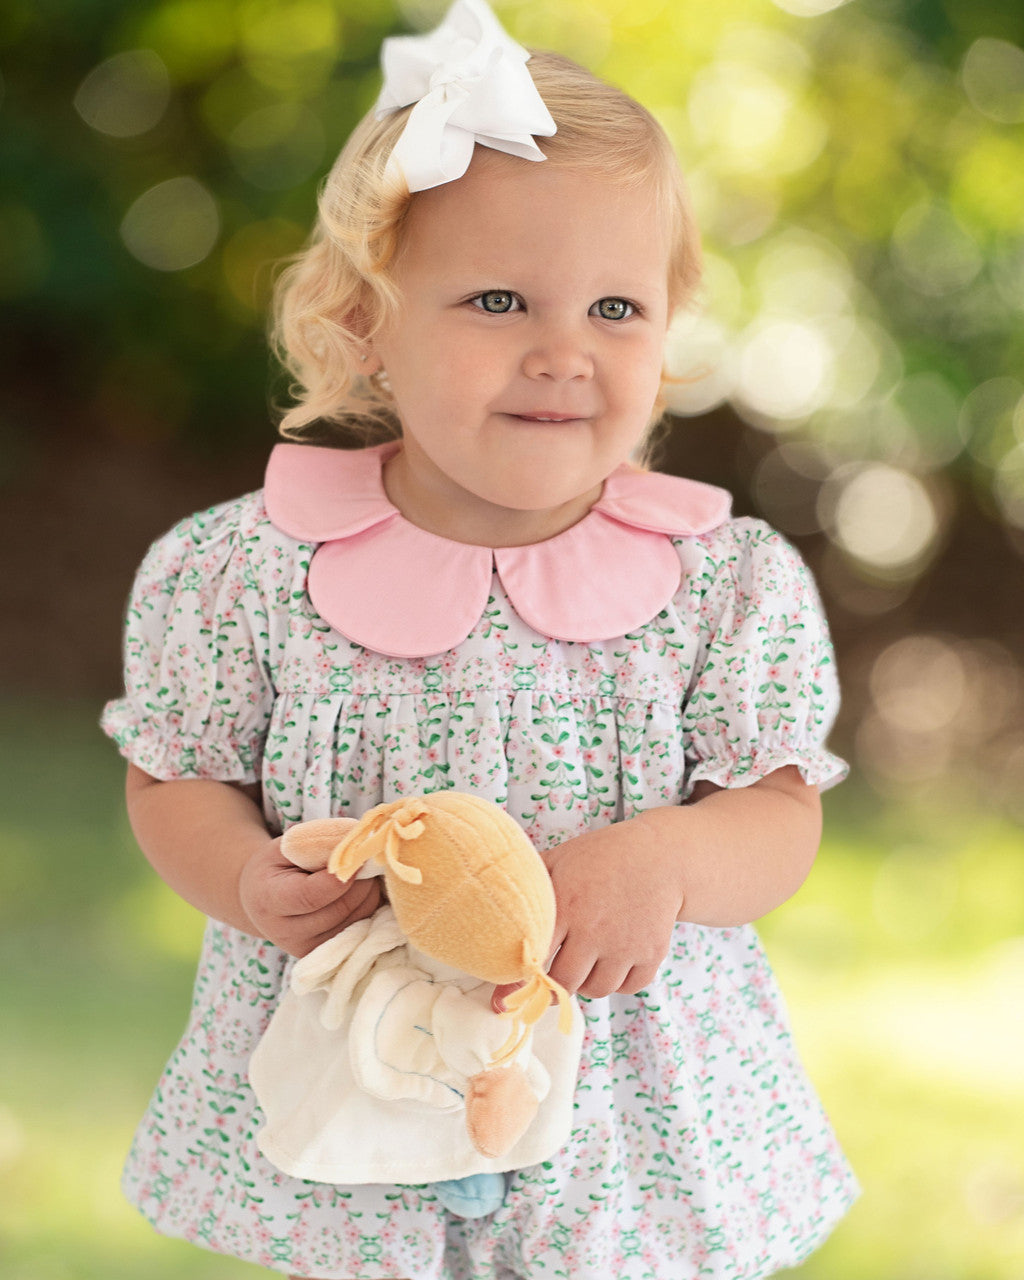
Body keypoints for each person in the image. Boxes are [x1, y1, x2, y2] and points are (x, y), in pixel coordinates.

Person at [101, 1, 859, 1277]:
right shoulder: (243, 570)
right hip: (360, 1081)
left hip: (628, 1128)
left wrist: (669, 858)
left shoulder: (722, 584)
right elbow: (176, 774)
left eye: (615, 307)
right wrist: (239, 875)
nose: (563, 352)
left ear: (667, 336)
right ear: (365, 327)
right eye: (499, 299)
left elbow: (777, 809)